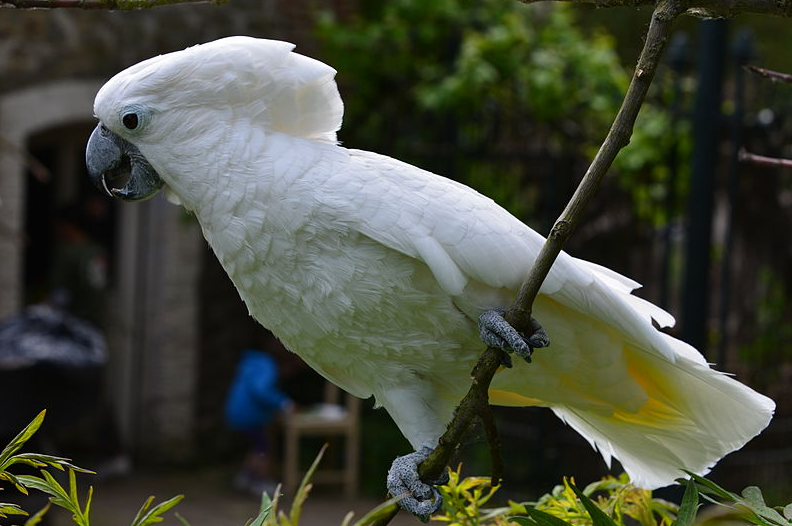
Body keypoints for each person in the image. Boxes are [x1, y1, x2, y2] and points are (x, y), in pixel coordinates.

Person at [225, 347, 294, 496]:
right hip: (248, 414)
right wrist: (284, 403)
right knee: (263, 448)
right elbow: (261, 389)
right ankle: (260, 482)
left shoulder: (254, 362)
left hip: (239, 412)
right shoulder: (266, 364)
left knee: (256, 445)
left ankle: (245, 478)